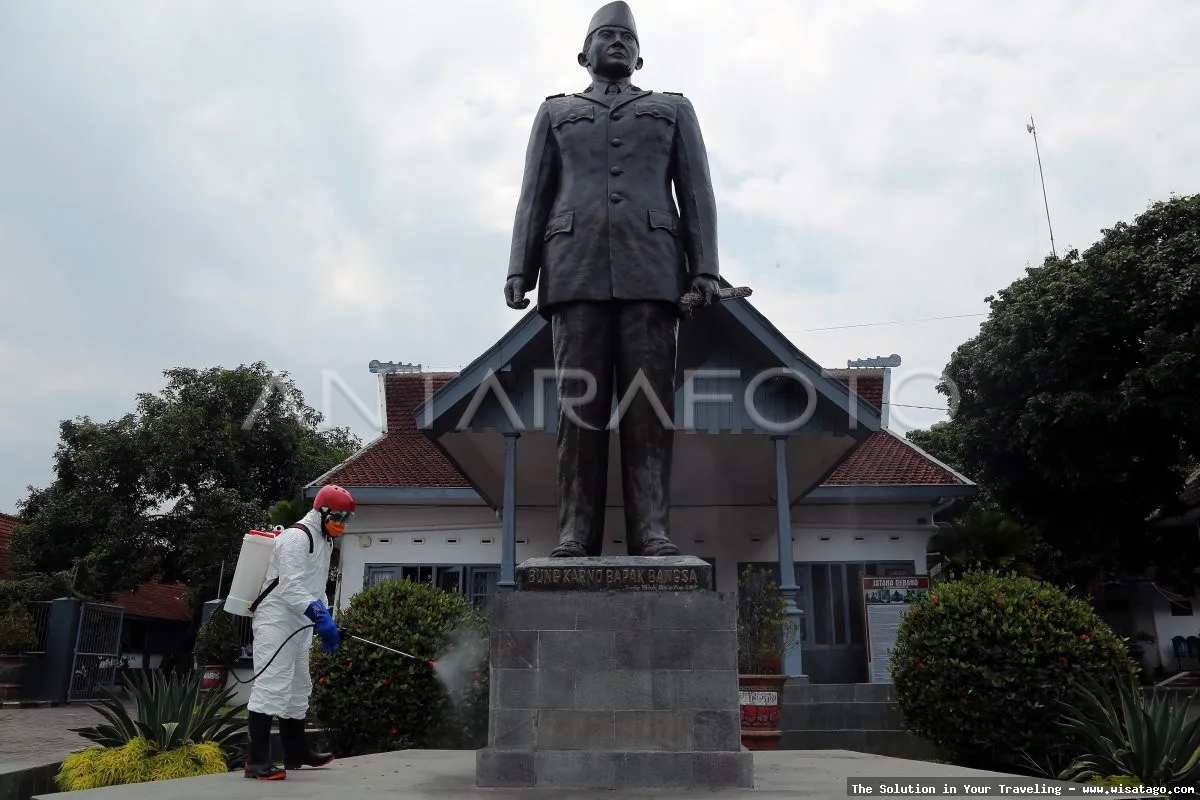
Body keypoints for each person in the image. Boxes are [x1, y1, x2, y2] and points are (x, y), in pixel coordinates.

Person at [503, 1, 721, 559]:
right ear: (584, 53)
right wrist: (520, 267)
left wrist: (705, 269)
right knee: (578, 410)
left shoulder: (673, 109)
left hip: (653, 271)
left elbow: (696, 192)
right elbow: (534, 195)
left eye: (627, 37)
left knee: (649, 410)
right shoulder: (556, 112)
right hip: (573, 271)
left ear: (640, 57)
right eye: (606, 35)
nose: (618, 41)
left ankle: (652, 531)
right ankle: (576, 532)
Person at [243, 484, 354, 780]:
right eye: (338, 517)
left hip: (301, 621)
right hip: (276, 620)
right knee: (272, 685)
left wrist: (326, 617)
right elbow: (290, 586)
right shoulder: (296, 537)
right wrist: (319, 616)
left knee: (299, 687)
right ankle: (256, 761)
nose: (342, 524)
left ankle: (296, 752)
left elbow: (316, 586)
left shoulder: (325, 541)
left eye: (347, 519)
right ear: (321, 512)